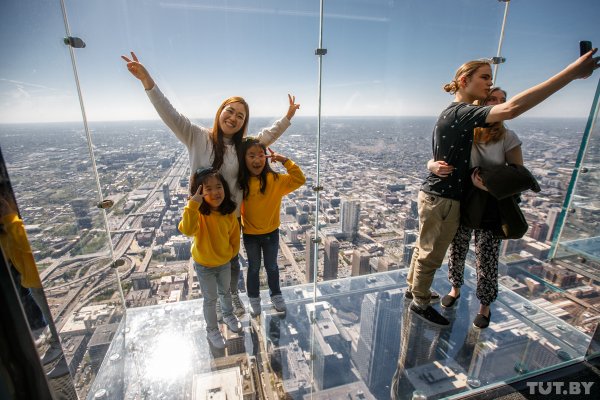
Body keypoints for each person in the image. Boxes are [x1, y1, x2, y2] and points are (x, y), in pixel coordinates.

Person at [406, 49, 599, 327]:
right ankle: (420, 301)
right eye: (485, 78)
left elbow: (453, 156)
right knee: (433, 253)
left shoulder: (465, 119)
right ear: (463, 81)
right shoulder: (464, 115)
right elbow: (513, 109)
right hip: (446, 198)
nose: (488, 84)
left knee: (437, 250)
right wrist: (571, 72)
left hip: (456, 199)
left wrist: (435, 166)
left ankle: (417, 290)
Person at [121, 52, 300, 317]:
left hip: (232, 215)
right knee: (209, 262)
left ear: (243, 123)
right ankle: (217, 307)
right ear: (220, 112)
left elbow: (266, 137)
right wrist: (148, 81)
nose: (234, 118)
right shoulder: (195, 136)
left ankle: (232, 298)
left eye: (240, 116)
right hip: (204, 215)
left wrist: (287, 118)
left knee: (233, 262)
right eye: (230, 111)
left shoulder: (242, 146)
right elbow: (168, 113)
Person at [427, 87, 522, 329]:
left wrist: (489, 185)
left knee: (486, 254)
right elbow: (440, 158)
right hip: (464, 197)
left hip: (492, 202)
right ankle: (455, 288)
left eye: (502, 101)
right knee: (457, 246)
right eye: (493, 100)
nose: (499, 105)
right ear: (482, 104)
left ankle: (484, 306)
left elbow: (518, 175)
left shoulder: (508, 137)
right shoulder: (466, 133)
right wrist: (431, 165)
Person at [238, 138, 306, 316]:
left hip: (271, 233)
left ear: (267, 158)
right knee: (253, 268)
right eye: (251, 155)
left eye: (261, 155)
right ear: (243, 158)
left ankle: (276, 295)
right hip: (250, 234)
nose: (257, 160)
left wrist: (284, 160)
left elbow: (300, 179)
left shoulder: (275, 179)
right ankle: (253, 298)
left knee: (272, 267)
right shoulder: (240, 183)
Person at [178, 168, 241, 349]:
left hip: (223, 264)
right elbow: (187, 230)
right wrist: (192, 205)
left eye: (218, 187)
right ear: (199, 192)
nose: (215, 192)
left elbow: (234, 239)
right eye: (208, 189)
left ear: (225, 189)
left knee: (225, 292)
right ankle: (212, 329)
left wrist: (229, 255)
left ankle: (228, 315)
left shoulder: (228, 213)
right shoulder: (198, 214)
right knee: (210, 299)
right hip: (204, 265)